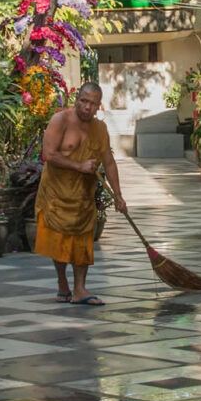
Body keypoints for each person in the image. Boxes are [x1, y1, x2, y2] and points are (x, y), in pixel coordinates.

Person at [34, 82, 126, 305]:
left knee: (83, 241)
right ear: (77, 99)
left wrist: (118, 195)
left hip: (83, 196)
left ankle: (80, 289)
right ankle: (62, 283)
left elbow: (110, 162)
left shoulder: (100, 129)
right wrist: (79, 166)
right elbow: (49, 154)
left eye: (92, 104)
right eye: (84, 101)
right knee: (59, 240)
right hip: (57, 193)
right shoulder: (61, 120)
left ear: (98, 107)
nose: (87, 107)